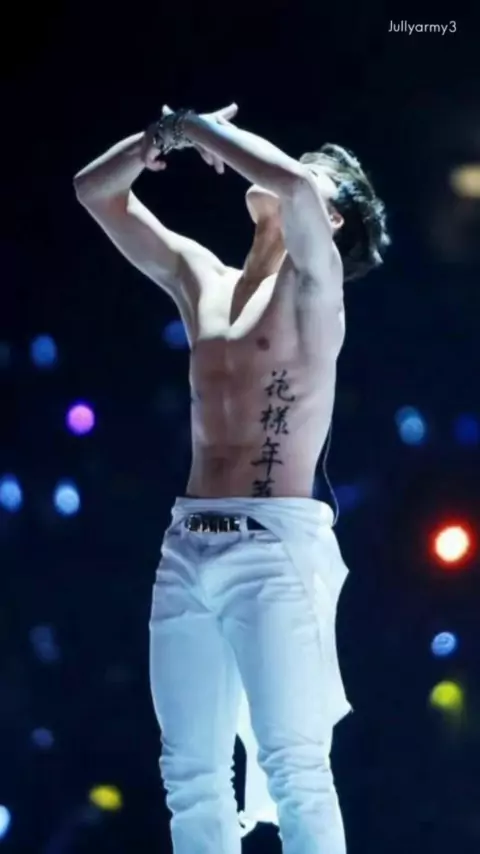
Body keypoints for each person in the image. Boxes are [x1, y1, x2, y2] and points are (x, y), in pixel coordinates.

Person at [74, 103, 390, 854]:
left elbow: (295, 188)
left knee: (295, 768)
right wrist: (160, 138)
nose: (286, 170)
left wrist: (196, 128)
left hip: (270, 549)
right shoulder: (203, 280)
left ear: (331, 220)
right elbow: (95, 191)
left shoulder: (315, 284)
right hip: (186, 546)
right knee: (189, 776)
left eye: (308, 171)